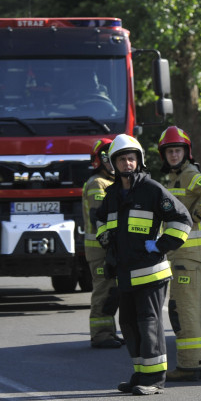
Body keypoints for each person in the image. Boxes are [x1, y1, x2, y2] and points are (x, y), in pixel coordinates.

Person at [94, 134, 192, 396]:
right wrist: (105, 237)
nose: (128, 163)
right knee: (128, 324)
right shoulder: (113, 194)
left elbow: (182, 220)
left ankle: (155, 379)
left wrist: (160, 246)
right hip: (125, 273)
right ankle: (140, 373)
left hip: (151, 272)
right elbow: (100, 219)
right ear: (114, 163)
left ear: (139, 161)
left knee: (149, 324)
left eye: (132, 158)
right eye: (123, 159)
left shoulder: (152, 190)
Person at [156, 125, 201, 382]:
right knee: (192, 308)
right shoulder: (177, 177)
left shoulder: (188, 175)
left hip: (188, 253)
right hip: (187, 254)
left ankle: (189, 364)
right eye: (170, 151)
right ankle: (199, 360)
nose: (174, 155)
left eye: (178, 150)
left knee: (182, 308)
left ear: (187, 153)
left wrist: (194, 217)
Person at [82, 137, 123, 348]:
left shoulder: (111, 182)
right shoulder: (98, 183)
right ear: (99, 160)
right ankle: (100, 335)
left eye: (112, 157)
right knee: (103, 291)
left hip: (107, 247)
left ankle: (109, 332)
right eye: (105, 157)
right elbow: (99, 217)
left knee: (111, 290)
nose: (109, 162)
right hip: (99, 248)